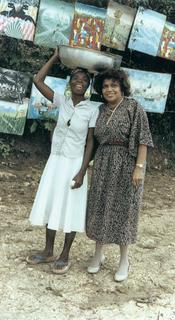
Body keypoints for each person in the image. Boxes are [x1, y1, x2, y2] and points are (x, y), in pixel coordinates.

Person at [26, 48, 98, 274]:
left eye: (84, 80)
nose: (79, 82)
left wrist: (82, 171)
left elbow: (90, 143)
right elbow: (37, 80)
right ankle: (48, 250)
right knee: (52, 202)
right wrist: (56, 57)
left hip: (75, 163)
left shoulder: (92, 109)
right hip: (56, 160)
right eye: (76, 78)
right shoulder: (61, 100)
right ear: (70, 83)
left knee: (71, 208)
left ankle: (65, 254)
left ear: (88, 86)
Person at [86, 68, 153, 282]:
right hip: (103, 163)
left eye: (114, 85)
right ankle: (99, 253)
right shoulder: (100, 110)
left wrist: (139, 168)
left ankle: (124, 260)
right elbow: (92, 140)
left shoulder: (134, 107)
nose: (109, 89)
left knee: (124, 210)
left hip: (127, 163)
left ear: (122, 87)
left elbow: (144, 139)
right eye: (105, 86)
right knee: (100, 206)